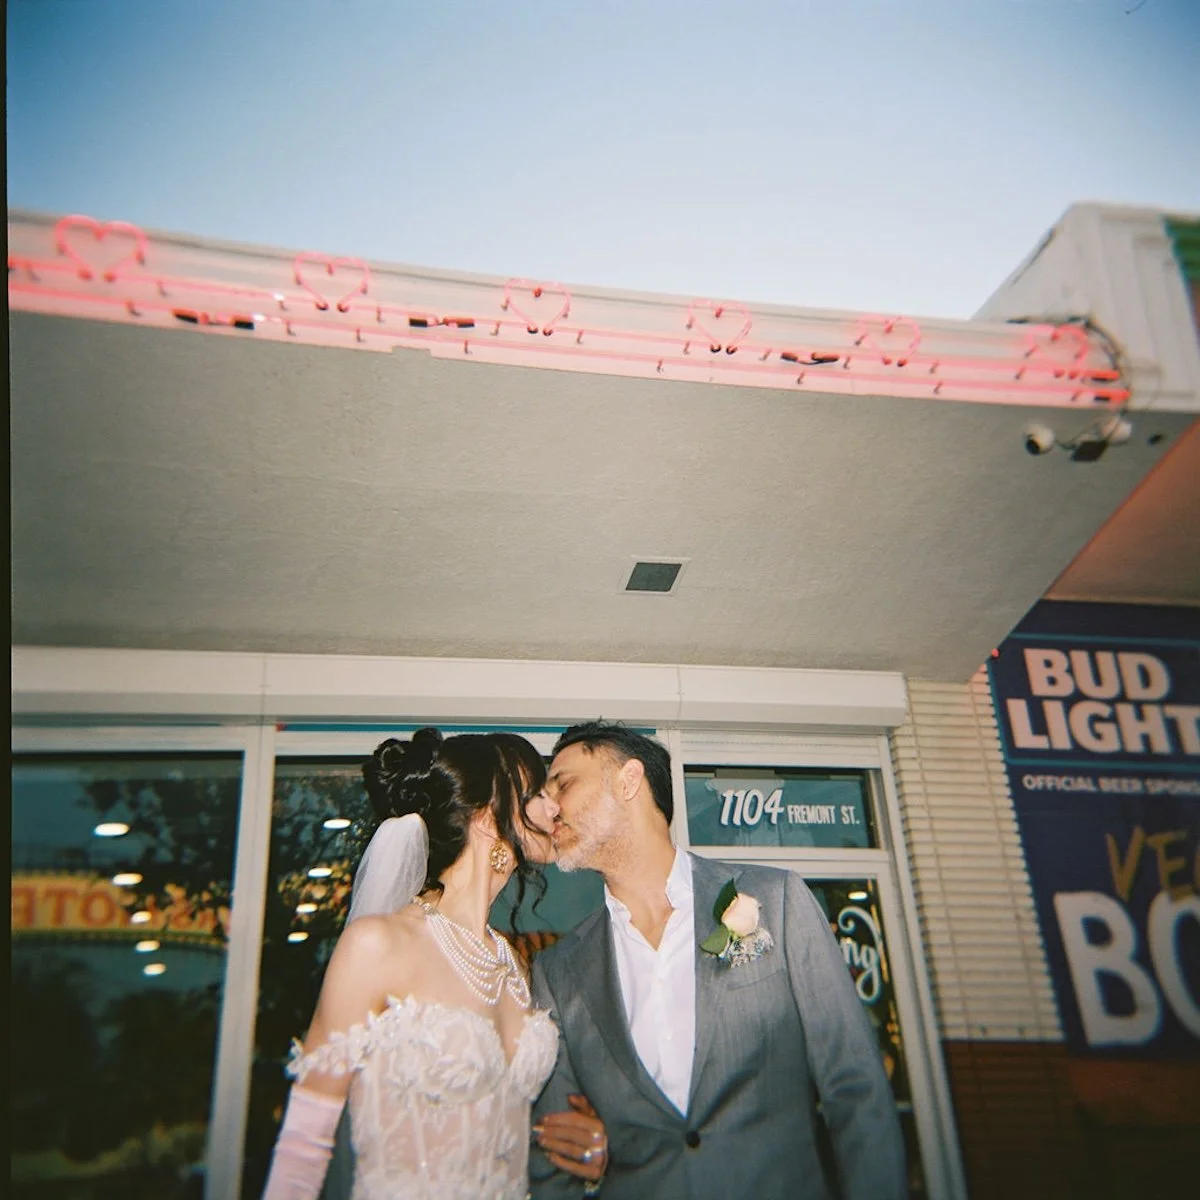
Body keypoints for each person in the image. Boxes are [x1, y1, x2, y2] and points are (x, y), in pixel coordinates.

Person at [529, 722, 906, 1200]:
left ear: (628, 781)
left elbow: (855, 1087)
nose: (548, 807)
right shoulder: (558, 970)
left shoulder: (776, 901)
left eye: (562, 784)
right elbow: (555, 1150)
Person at [261, 727, 606, 1200]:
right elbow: (304, 1145)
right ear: (486, 816)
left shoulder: (512, 964)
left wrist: (586, 1147)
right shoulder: (378, 945)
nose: (555, 808)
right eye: (537, 794)